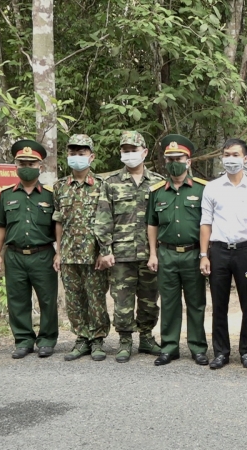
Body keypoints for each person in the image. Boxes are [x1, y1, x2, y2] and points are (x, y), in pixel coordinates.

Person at [94, 131, 163, 363]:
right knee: (122, 301)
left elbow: (162, 219)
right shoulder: (111, 183)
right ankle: (125, 340)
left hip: (149, 253)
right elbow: (103, 219)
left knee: (149, 299)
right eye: (125, 150)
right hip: (121, 254)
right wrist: (106, 250)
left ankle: (146, 336)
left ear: (144, 152)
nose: (130, 154)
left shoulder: (157, 182)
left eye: (134, 149)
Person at [200, 138, 247, 370]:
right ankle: (221, 352)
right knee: (219, 304)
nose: (231, 159)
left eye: (236, 155)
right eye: (227, 154)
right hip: (218, 251)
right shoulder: (212, 188)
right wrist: (203, 255)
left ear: (246, 158)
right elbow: (206, 223)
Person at [0, 140, 58, 359]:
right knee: (17, 299)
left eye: (31, 163)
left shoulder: (50, 195)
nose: (26, 166)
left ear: (41, 166)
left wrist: (60, 251)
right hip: (15, 256)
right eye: (22, 162)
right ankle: (23, 340)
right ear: (16, 166)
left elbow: (58, 225)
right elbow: (0, 225)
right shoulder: (6, 194)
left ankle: (47, 340)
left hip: (43, 254)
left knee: (47, 299)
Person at [147, 135, 209, 366]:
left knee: (196, 302)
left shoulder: (203, 190)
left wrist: (205, 254)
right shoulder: (157, 192)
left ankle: (198, 347)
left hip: (193, 254)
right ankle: (169, 347)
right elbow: (152, 224)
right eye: (170, 158)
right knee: (170, 303)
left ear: (189, 161)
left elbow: (207, 224)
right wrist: (153, 253)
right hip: (167, 254)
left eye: (179, 158)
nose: (175, 162)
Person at [52, 134, 110, 362]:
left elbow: (106, 221)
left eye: (81, 153)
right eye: (72, 153)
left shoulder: (102, 187)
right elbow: (58, 221)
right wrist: (58, 251)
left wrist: (104, 251)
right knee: (74, 300)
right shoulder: (59, 187)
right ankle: (81, 339)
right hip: (68, 254)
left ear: (91, 156)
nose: (77, 157)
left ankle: (97, 340)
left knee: (96, 299)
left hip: (93, 255)